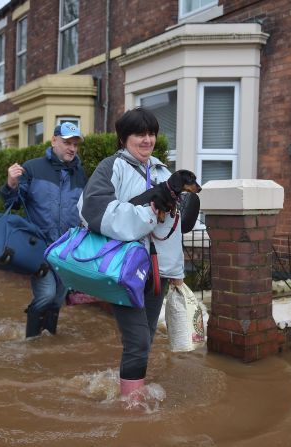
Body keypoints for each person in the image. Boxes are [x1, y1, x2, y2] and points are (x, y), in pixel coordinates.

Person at [78, 107, 184, 401]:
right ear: (124, 138)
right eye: (140, 133)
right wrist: (148, 211)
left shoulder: (163, 171)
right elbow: (93, 212)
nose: (147, 140)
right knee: (137, 341)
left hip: (157, 272)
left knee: (146, 338)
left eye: (151, 133)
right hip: (124, 270)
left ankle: (125, 386)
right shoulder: (112, 167)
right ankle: (131, 408)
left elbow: (171, 232)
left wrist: (176, 273)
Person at [1, 122, 88, 337]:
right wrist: (11, 184)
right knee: (47, 294)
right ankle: (31, 340)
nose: (72, 148)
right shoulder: (32, 168)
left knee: (58, 298)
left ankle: (48, 339)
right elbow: (14, 203)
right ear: (54, 141)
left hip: (67, 251)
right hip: (39, 247)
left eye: (75, 144)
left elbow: (86, 210)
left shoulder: (81, 174)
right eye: (67, 142)